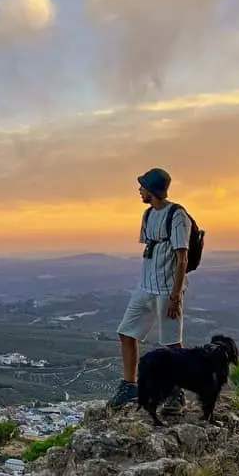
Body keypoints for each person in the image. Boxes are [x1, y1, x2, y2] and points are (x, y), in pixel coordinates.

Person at [107, 167, 190, 413]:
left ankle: (177, 393)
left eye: (143, 186)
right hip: (145, 287)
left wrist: (176, 295)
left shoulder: (177, 215)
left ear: (153, 189)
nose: (139, 190)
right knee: (126, 333)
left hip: (166, 290)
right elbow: (150, 249)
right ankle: (130, 386)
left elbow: (182, 257)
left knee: (172, 343)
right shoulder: (147, 214)